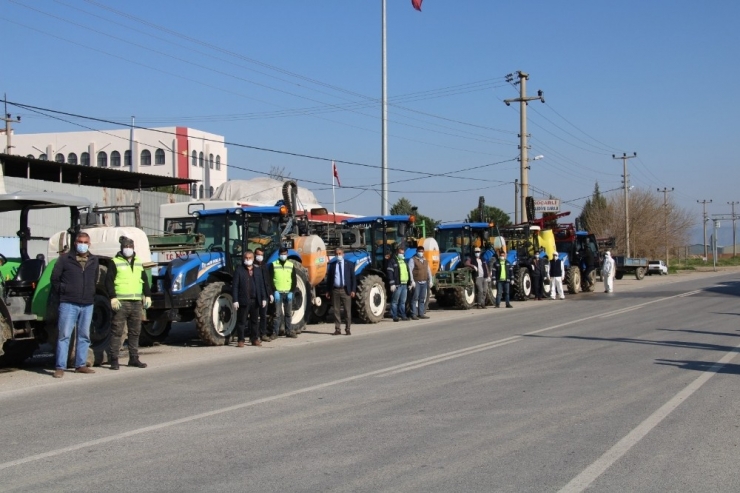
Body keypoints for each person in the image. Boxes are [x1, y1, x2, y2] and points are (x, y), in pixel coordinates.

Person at [50, 232, 98, 378]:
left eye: (85, 242)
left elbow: (95, 278)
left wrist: (90, 292)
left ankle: (80, 365)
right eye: (80, 241)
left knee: (84, 335)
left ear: (89, 244)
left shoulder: (94, 260)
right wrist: (65, 291)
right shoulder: (65, 259)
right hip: (68, 303)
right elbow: (55, 279)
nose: (82, 244)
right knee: (64, 335)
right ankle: (60, 367)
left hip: (87, 303)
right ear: (75, 243)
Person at [105, 236, 151, 370]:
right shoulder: (115, 262)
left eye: (130, 247)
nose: (128, 249)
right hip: (121, 302)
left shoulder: (138, 262)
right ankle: (113, 359)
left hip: (136, 302)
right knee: (117, 332)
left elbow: (144, 280)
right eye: (126, 247)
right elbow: (109, 281)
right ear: (121, 248)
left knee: (135, 332)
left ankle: (134, 358)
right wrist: (112, 297)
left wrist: (147, 295)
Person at [232, 250, 268, 347]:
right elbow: (235, 286)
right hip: (243, 300)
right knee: (242, 321)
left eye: (249, 258)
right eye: (246, 258)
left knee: (255, 321)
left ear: (253, 258)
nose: (248, 260)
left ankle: (255, 339)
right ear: (243, 259)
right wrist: (235, 300)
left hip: (255, 300)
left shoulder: (257, 270)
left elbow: (261, 285)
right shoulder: (239, 270)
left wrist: (263, 298)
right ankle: (241, 340)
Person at [326, 247, 356, 335]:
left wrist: (353, 290)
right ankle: (337, 329)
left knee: (347, 310)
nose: (338, 255)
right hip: (335, 290)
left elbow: (353, 278)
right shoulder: (332, 265)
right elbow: (329, 279)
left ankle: (348, 328)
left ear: (343, 254)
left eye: (340, 254)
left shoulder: (349, 264)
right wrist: (328, 290)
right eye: (336, 254)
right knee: (336, 310)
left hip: (345, 290)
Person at [269, 247, 297, 338]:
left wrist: (291, 292)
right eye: (282, 254)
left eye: (285, 254)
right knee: (277, 314)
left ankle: (289, 331)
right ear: (279, 255)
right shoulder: (273, 265)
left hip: (288, 292)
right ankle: (275, 333)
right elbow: (270, 280)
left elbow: (294, 280)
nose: (283, 255)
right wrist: (274, 291)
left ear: (287, 254)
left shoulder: (291, 265)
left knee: (288, 313)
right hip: (278, 293)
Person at [407, 245, 433, 320]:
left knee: (422, 298)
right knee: (415, 298)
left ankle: (421, 313)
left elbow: (428, 271)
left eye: (422, 251)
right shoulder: (413, 260)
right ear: (417, 251)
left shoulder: (425, 260)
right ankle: (413, 314)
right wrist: (412, 281)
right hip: (416, 281)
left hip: (424, 282)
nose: (420, 253)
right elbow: (410, 271)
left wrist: (430, 280)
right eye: (419, 251)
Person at [254, 247, 273, 341]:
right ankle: (255, 335)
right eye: (258, 255)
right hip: (255, 294)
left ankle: (263, 334)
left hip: (264, 294)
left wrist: (270, 293)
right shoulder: (252, 267)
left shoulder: (265, 265)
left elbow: (267, 280)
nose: (260, 257)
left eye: (261, 255)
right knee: (255, 315)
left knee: (263, 315)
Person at [387, 246, 410, 321]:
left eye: (403, 253)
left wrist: (409, 283)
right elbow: (390, 272)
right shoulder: (393, 261)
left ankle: (403, 315)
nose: (402, 254)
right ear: (397, 252)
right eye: (400, 253)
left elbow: (407, 272)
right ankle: (395, 316)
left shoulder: (404, 261)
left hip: (404, 284)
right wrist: (392, 283)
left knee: (403, 302)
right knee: (395, 301)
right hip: (397, 285)